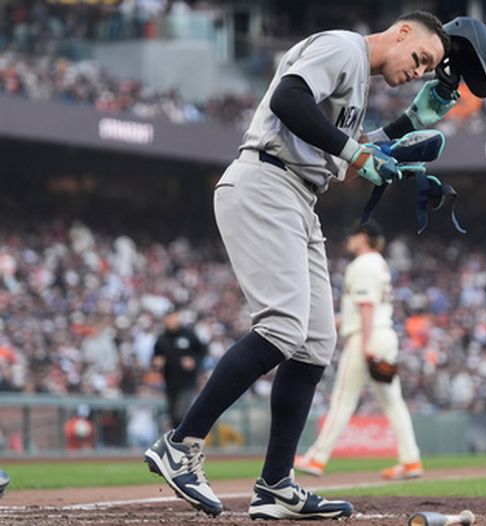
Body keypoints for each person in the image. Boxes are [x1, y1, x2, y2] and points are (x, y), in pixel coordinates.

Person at [144, 11, 457, 520]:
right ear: (401, 32)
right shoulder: (343, 47)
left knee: (314, 344)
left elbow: (332, 145)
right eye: (420, 58)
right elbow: (289, 100)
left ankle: (274, 485)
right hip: (266, 183)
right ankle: (180, 445)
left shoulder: (355, 80)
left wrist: (411, 123)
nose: (418, 71)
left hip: (298, 195)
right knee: (283, 325)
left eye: (427, 68)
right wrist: (356, 153)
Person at [294, 222, 422, 480]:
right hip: (383, 333)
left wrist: (365, 347)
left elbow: (365, 305)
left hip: (367, 336)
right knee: (393, 403)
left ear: (363, 238)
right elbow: (362, 308)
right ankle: (411, 461)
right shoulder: (379, 263)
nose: (349, 240)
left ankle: (317, 458)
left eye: (353, 236)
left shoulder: (363, 264)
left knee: (343, 399)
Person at [151, 308, 207, 428]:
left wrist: (193, 361)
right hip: (170, 382)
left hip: (187, 382)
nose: (170, 321)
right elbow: (155, 357)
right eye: (167, 318)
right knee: (173, 414)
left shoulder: (188, 335)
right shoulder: (162, 339)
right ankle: (176, 441)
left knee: (181, 413)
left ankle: (181, 440)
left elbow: (202, 351)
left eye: (172, 317)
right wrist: (157, 363)